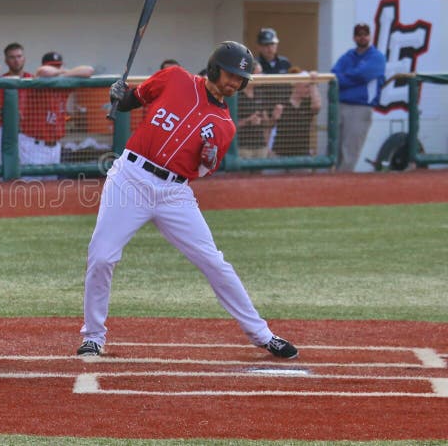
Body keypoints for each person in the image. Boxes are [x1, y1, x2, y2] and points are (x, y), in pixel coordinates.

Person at [76, 41, 298, 360]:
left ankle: (262, 334)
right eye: (231, 75)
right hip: (130, 178)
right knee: (102, 257)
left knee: (213, 261)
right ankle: (94, 336)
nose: (235, 83)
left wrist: (208, 156)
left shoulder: (226, 125)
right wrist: (118, 95)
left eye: (241, 79)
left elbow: (204, 170)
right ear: (214, 67)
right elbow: (131, 101)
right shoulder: (175, 78)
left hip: (174, 192)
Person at [17, 51, 94, 172]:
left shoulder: (64, 86)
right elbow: (43, 71)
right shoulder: (37, 81)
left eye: (59, 65)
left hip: (54, 147)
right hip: (33, 145)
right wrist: (64, 73)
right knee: (31, 188)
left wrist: (62, 74)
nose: (56, 68)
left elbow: (88, 70)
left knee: (51, 187)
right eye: (53, 66)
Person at [331, 22, 386, 171]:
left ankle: (344, 186)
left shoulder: (377, 57)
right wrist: (353, 78)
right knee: (334, 149)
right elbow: (334, 74)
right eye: (359, 35)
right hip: (341, 105)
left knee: (350, 152)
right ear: (354, 37)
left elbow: (363, 74)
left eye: (365, 34)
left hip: (361, 108)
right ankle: (330, 184)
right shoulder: (348, 55)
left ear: (370, 36)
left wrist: (347, 77)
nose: (362, 37)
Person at [0, 42, 34, 163]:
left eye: (19, 56)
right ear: (6, 60)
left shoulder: (33, 80)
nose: (16, 60)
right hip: (6, 132)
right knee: (7, 174)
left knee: (30, 176)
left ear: (24, 58)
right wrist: (8, 112)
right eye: (12, 57)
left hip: (31, 133)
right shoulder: (0, 82)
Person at [270, 67, 322, 157]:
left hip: (302, 154)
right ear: (296, 85)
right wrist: (274, 118)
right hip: (280, 153)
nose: (309, 90)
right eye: (307, 86)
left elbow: (317, 106)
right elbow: (269, 126)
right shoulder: (282, 102)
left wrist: (313, 83)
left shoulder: (308, 104)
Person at [236, 62, 272, 159]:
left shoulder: (261, 93)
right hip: (243, 148)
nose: (262, 76)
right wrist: (249, 120)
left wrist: (264, 119)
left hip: (261, 147)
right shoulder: (236, 96)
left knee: (259, 174)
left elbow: (267, 125)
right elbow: (231, 125)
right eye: (259, 73)